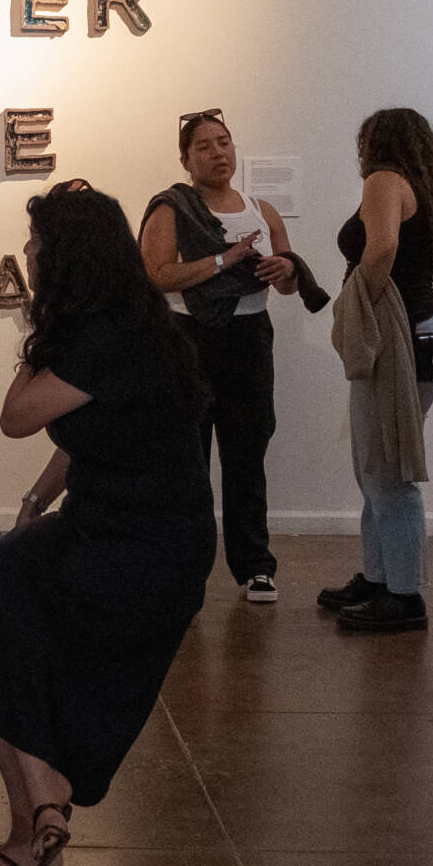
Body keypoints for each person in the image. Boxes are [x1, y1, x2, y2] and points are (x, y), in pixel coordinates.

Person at [0, 181, 214, 866]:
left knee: (5, 608)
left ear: (68, 259)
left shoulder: (105, 340)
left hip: (143, 550)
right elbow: (88, 434)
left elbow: (16, 417)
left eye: (37, 245)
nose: (27, 254)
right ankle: (41, 817)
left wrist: (37, 340)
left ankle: (35, 823)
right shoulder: (135, 327)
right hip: (118, 528)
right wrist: (37, 500)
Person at [138, 109, 297, 602]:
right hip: (188, 338)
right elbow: (155, 275)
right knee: (187, 458)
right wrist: (225, 259)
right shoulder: (171, 208)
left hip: (250, 337)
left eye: (224, 142)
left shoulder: (262, 210)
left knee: (247, 455)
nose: (217, 153)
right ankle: (181, 566)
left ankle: (255, 567)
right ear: (186, 159)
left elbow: (289, 280)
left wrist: (284, 271)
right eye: (204, 146)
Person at [320, 108, 433, 634]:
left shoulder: (384, 180)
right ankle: (379, 577)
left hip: (399, 339)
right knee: (375, 465)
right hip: (421, 333)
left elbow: (382, 247)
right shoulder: (421, 188)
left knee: (388, 470)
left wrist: (358, 300)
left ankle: (403, 594)